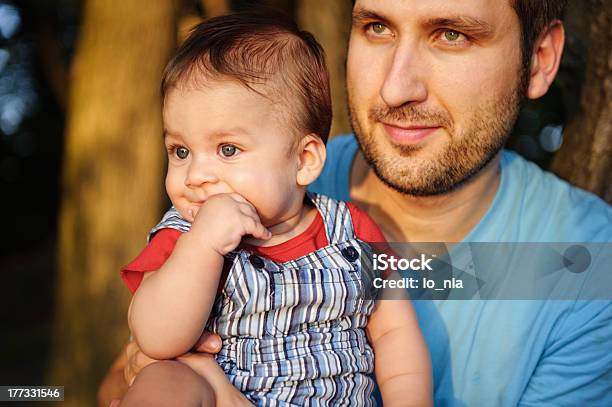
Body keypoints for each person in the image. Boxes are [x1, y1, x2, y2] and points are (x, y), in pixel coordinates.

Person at [99, 0, 612, 406]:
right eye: (377, 27)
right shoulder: (235, 193)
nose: (397, 85)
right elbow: (116, 385)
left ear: (539, 60)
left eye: (451, 34)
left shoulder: (587, 265)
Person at [116, 11, 431, 407]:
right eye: (180, 151)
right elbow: (156, 338)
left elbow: (393, 333)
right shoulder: (181, 235)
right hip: (218, 393)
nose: (195, 174)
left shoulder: (352, 230)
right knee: (164, 379)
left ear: (303, 161)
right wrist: (203, 246)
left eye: (227, 150)